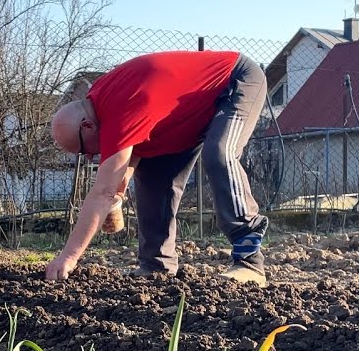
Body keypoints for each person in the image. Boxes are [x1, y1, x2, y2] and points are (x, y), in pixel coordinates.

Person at [45, 50, 271, 285]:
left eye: (84, 150)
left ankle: (250, 261)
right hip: (181, 114)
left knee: (220, 153)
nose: (91, 156)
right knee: (154, 176)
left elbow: (103, 191)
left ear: (87, 125)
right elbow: (125, 161)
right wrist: (118, 194)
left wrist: (69, 256)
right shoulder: (99, 103)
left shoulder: (119, 111)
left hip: (234, 80)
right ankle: (156, 266)